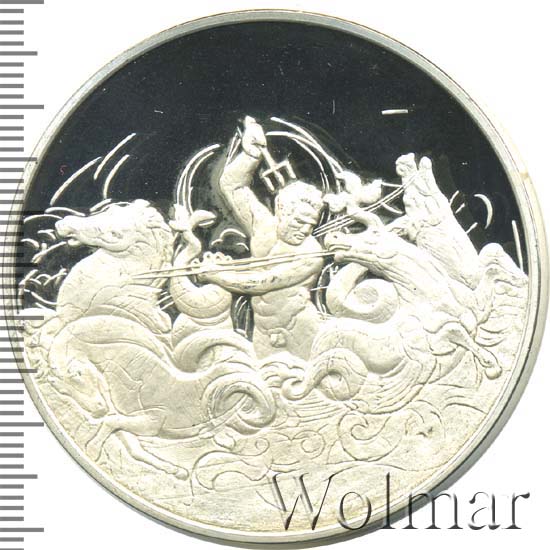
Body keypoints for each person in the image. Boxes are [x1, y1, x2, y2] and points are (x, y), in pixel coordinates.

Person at [200, 117, 325, 360]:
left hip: (299, 328)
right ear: (281, 212)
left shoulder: (311, 254)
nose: (305, 230)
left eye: (311, 225)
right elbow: (232, 186)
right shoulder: (262, 227)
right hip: (264, 330)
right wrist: (250, 156)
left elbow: (263, 282)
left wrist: (216, 275)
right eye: (299, 222)